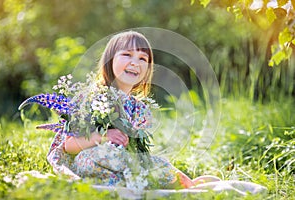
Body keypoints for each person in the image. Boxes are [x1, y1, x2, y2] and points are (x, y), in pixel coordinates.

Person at [46, 30, 220, 189]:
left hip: (124, 164)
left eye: (142, 59)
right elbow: (69, 146)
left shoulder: (139, 109)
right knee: (91, 159)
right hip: (92, 162)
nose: (135, 62)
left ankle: (179, 182)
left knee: (153, 162)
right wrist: (104, 136)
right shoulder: (91, 97)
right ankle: (140, 183)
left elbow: (137, 154)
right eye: (127, 54)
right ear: (110, 60)